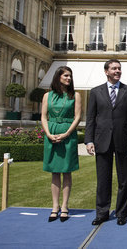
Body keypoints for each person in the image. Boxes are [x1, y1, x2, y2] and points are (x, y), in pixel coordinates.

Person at [85, 59, 127, 226]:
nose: (118, 71)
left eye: (119, 68)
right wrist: (88, 140)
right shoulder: (95, 92)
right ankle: (102, 213)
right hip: (102, 140)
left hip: (124, 140)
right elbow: (90, 118)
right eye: (114, 68)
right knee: (103, 179)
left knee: (125, 179)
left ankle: (122, 213)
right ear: (106, 71)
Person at [41, 66, 81, 222]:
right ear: (58, 77)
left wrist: (66, 133)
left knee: (67, 171)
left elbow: (77, 117)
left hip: (67, 133)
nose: (69, 78)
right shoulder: (47, 96)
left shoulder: (75, 95)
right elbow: (43, 117)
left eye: (70, 76)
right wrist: (48, 134)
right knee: (55, 172)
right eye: (66, 75)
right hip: (51, 133)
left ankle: (64, 206)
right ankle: (54, 206)